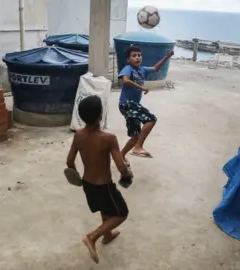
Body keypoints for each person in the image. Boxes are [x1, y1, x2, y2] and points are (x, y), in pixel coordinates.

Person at [66, 95, 133, 264]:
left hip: (87, 184)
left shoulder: (78, 135)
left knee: (106, 209)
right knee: (121, 214)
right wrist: (127, 174)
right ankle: (92, 236)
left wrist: (75, 176)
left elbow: (69, 161)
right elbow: (120, 166)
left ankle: (107, 235)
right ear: (100, 115)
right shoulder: (108, 138)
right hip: (104, 186)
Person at [118, 46, 174, 162]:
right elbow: (126, 81)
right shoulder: (128, 68)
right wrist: (141, 88)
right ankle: (138, 147)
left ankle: (121, 155)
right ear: (128, 60)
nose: (137, 57)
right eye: (134, 56)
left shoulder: (142, 69)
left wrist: (167, 56)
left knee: (135, 136)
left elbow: (156, 68)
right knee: (151, 119)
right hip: (127, 104)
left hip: (132, 105)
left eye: (139, 55)